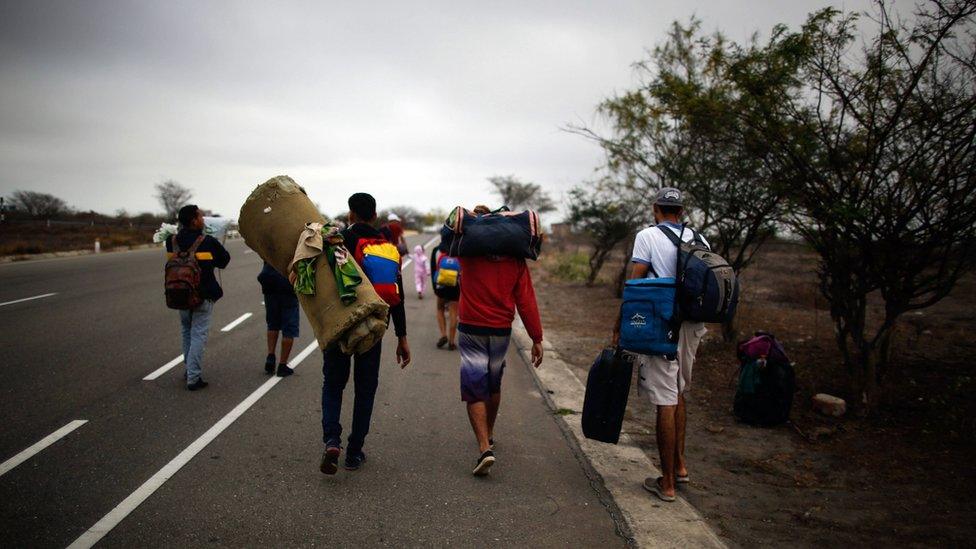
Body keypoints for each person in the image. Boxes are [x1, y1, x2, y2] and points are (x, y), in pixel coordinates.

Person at [613, 187, 709, 503]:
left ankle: (666, 483)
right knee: (679, 392)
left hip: (663, 323)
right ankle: (680, 467)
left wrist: (620, 324)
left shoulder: (647, 236)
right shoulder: (700, 238)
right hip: (693, 324)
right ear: (680, 211)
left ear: (656, 209)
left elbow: (636, 283)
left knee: (665, 400)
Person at [318, 193, 411, 474]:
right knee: (365, 390)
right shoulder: (387, 246)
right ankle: (355, 451)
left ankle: (332, 441)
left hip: (340, 324)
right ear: (374, 216)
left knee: (334, 385)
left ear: (351, 214)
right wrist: (402, 337)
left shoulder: (338, 241)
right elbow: (397, 295)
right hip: (373, 327)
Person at [456, 205, 544, 476]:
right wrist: (536, 337)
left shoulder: (467, 253)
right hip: (500, 330)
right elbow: (526, 300)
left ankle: (484, 447)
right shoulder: (515, 259)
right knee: (493, 383)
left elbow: (459, 230)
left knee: (474, 388)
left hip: (471, 327)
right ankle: (490, 433)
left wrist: (473, 218)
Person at [165, 204, 231, 391]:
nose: (203, 219)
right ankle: (193, 377)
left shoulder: (172, 241)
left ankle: (188, 369)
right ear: (193, 220)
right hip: (203, 295)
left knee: (186, 331)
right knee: (198, 334)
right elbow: (224, 261)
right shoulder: (208, 241)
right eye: (200, 217)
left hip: (179, 293)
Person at [258, 262, 299, 377]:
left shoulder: (268, 243)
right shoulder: (293, 243)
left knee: (272, 323)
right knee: (289, 327)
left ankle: (270, 357)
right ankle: (282, 364)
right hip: (287, 284)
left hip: (269, 281)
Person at [430, 246, 460, 350]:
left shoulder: (440, 251)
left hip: (442, 285)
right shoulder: (460, 251)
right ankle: (451, 342)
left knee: (440, 308)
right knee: (454, 312)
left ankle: (443, 335)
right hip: (455, 285)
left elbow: (434, 269)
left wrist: (435, 287)